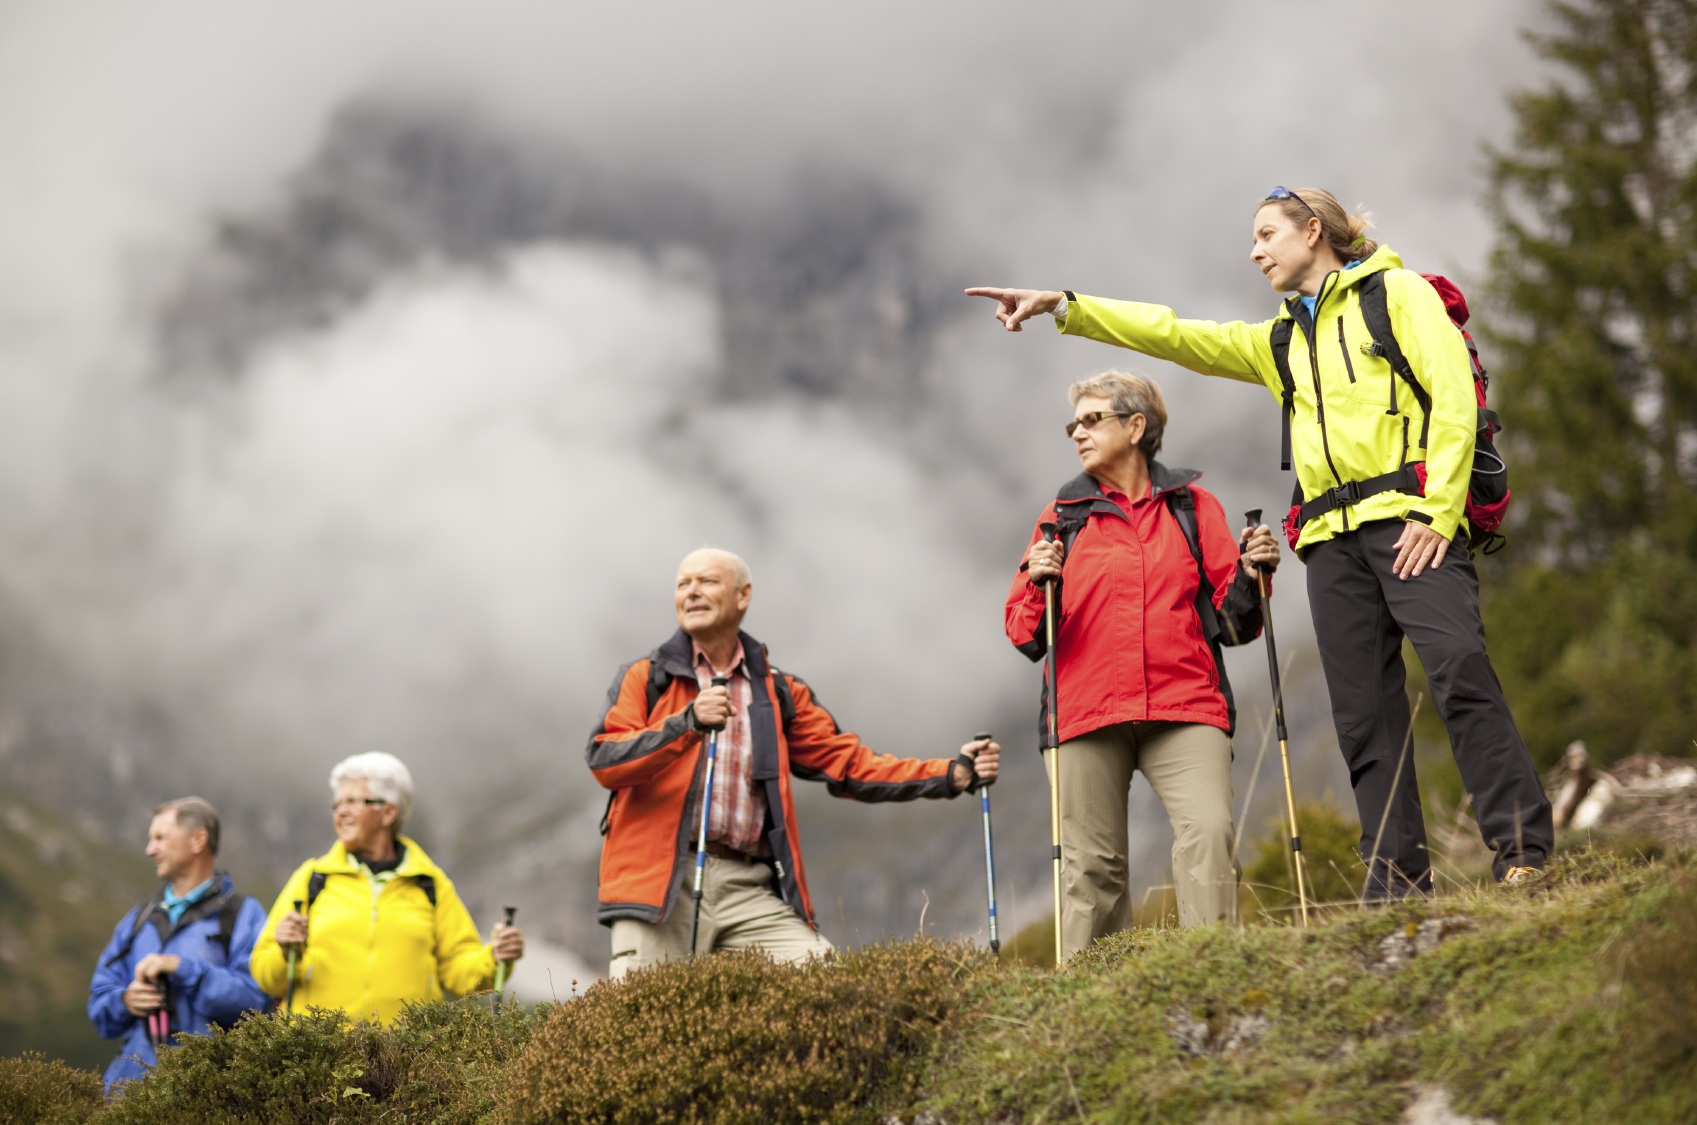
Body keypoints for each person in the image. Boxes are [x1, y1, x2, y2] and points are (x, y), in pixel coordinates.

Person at [967, 186, 1553, 897]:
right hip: (1331, 544)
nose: (1254, 251)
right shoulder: (1280, 340)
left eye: (1266, 234)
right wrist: (1064, 305)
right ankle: (1396, 881)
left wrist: (1435, 513)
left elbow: (1454, 400)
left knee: (1460, 672)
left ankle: (1521, 852)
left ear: (1313, 231)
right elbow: (1175, 333)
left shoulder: (1396, 294)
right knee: (1363, 715)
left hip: (1411, 522)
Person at [588, 547, 1001, 979]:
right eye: (681, 584)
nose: (691, 592)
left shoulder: (778, 691)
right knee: (649, 1028)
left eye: (706, 582)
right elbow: (605, 760)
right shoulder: (644, 678)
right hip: (660, 887)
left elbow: (849, 764)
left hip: (747, 886)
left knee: (826, 979)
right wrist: (686, 724)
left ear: (743, 595)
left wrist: (951, 774)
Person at [1008, 371, 1278, 953]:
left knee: (1208, 832)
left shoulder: (1193, 508)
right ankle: (1087, 1012)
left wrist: (1254, 576)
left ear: (1136, 427)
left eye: (1091, 419)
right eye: (1072, 424)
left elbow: (1236, 624)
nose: (1077, 433)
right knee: (1092, 870)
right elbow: (1024, 632)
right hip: (1085, 713)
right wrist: (1038, 582)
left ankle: (1212, 977)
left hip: (1186, 705)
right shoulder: (1062, 516)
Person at [250, 752, 524, 1022]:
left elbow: (459, 973)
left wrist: (494, 957)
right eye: (337, 804)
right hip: (316, 1060)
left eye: (353, 801)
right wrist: (284, 951)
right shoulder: (312, 878)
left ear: (388, 812)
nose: (341, 812)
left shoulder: (430, 883)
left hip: (406, 1060)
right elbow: (263, 973)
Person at [87, 797, 269, 1091]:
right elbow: (99, 1006)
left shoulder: (242, 915)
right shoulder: (137, 920)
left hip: (209, 1096)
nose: (150, 850)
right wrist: (125, 1001)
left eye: (160, 837)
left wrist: (183, 969)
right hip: (127, 1095)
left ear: (198, 840)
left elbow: (254, 1003)